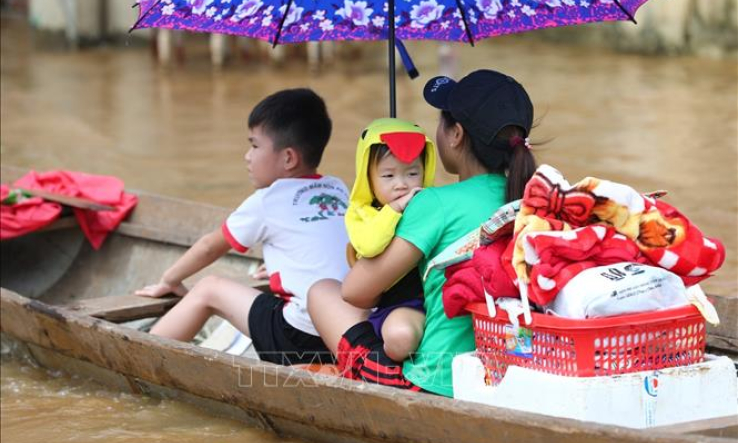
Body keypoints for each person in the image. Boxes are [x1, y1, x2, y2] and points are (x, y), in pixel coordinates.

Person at [308, 70, 538, 396]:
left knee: (322, 292)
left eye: (442, 123)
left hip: (434, 383)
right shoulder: (535, 198)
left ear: (455, 134)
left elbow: (356, 292)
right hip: (513, 373)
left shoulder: (433, 204)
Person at [135, 88, 350, 366]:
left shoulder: (267, 201)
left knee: (208, 288)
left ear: (288, 158)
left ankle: (142, 357)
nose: (247, 156)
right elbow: (321, 245)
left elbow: (208, 246)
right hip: (347, 335)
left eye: (255, 145)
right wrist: (276, 265)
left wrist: (169, 280)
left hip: (298, 337)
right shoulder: (338, 189)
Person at [343, 118, 437, 362]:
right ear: (368, 177)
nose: (401, 184)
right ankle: (383, 365)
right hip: (400, 304)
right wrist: (395, 209)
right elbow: (371, 245)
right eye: (388, 175)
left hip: (436, 299)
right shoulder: (361, 213)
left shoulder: (432, 204)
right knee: (400, 336)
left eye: (413, 173)